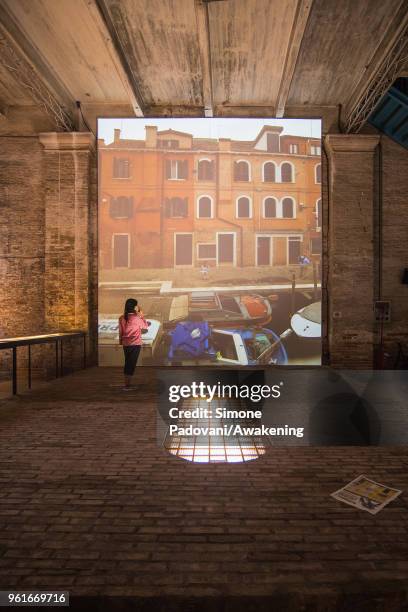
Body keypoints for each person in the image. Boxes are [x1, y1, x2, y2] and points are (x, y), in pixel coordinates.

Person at [118, 298, 149, 390]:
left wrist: (121, 342)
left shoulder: (122, 317)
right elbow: (145, 326)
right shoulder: (137, 318)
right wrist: (142, 315)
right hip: (135, 344)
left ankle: (127, 383)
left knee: (128, 362)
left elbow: (121, 331)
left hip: (126, 343)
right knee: (131, 364)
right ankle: (127, 385)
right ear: (134, 307)